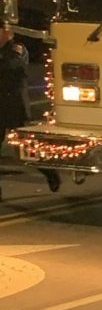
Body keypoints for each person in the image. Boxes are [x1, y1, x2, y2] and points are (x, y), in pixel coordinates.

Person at [0, 25, 60, 200]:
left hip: (14, 106)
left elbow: (10, 65)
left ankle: (49, 171)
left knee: (28, 147)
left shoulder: (17, 49)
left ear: (7, 33)